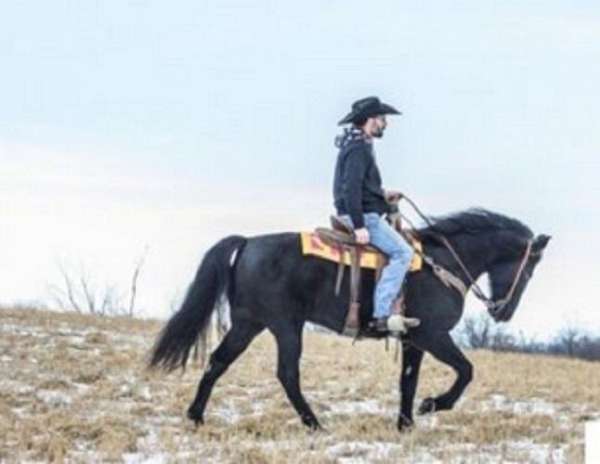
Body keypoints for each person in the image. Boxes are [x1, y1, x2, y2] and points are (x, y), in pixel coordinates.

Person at [333, 96, 414, 332]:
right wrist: (359, 226)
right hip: (363, 216)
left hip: (362, 210)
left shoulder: (356, 144)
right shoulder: (359, 149)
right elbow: (351, 189)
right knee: (403, 252)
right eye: (382, 119)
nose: (385, 124)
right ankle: (382, 314)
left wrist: (382, 194)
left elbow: (360, 186)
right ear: (370, 120)